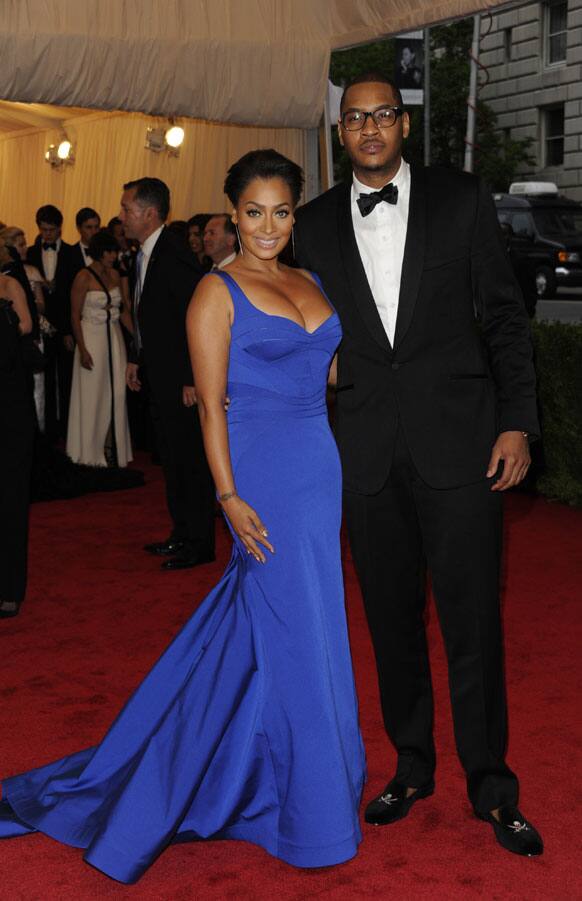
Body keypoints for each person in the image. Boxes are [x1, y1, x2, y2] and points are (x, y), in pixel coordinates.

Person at [0, 149, 365, 882]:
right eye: (253, 212)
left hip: (319, 470)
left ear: (296, 214)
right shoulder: (215, 293)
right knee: (293, 625)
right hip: (259, 475)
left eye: (282, 210)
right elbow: (210, 413)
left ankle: (264, 772)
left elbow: (331, 372)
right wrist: (228, 497)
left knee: (309, 620)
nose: (267, 225)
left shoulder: (312, 280)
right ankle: (310, 807)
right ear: (231, 216)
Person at [294, 72, 543, 858]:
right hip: (363, 454)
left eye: (384, 116)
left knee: (473, 621)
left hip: (462, 444)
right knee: (391, 623)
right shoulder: (310, 225)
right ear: (340, 133)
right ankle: (410, 764)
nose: (370, 129)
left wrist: (517, 423)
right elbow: (294, 331)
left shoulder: (461, 198)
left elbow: (504, 315)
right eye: (355, 119)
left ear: (405, 126)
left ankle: (491, 782)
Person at [122, 177, 215, 570]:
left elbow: (195, 317)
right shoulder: (145, 254)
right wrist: (136, 358)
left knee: (190, 461)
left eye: (127, 209)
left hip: (183, 383)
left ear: (150, 213)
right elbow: (152, 319)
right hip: (161, 375)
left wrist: (196, 377)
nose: (122, 216)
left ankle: (199, 543)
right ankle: (182, 534)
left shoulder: (173, 254)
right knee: (172, 460)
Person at [66, 229, 133, 467]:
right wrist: (82, 348)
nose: (112, 256)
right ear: (98, 252)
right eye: (108, 252)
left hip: (114, 338)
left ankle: (112, 448)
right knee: (93, 394)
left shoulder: (116, 275)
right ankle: (89, 452)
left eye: (114, 251)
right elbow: (74, 316)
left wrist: (136, 337)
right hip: (91, 337)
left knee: (116, 392)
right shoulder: (83, 276)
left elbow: (123, 311)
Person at [0, 269, 34, 618]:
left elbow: (25, 330)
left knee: (8, 503)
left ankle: (9, 588)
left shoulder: (8, 287)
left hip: (8, 416)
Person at [27, 205, 76, 440]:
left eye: (52, 230)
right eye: (43, 230)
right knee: (41, 378)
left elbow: (74, 298)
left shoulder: (71, 253)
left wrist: (68, 330)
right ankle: (44, 430)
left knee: (66, 377)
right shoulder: (29, 253)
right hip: (38, 326)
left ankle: (66, 427)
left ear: (60, 228)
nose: (47, 234)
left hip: (64, 326)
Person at [1, 226, 52, 430]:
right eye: (20, 245)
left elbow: (28, 318)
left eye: (24, 244)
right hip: (15, 345)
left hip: (20, 342)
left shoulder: (19, 273)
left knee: (31, 392)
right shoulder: (13, 272)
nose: (25, 248)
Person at [71, 207, 101, 273]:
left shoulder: (107, 253)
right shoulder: (69, 254)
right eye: (89, 227)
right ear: (79, 229)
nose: (94, 232)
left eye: (96, 227)